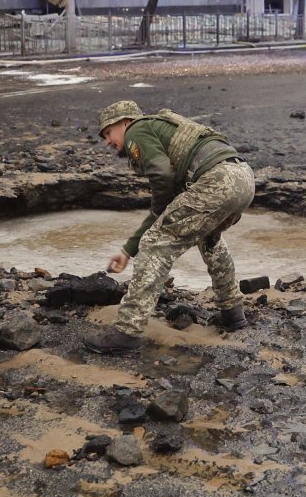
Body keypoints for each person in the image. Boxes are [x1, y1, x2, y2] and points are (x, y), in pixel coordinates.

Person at [82, 101, 256, 356]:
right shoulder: (160, 130)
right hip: (243, 177)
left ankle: (126, 332)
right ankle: (233, 313)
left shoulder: (137, 131)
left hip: (216, 180)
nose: (107, 141)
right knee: (209, 238)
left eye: (108, 132)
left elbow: (161, 176)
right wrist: (128, 250)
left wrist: (155, 221)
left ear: (125, 122)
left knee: (155, 244)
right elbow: (163, 209)